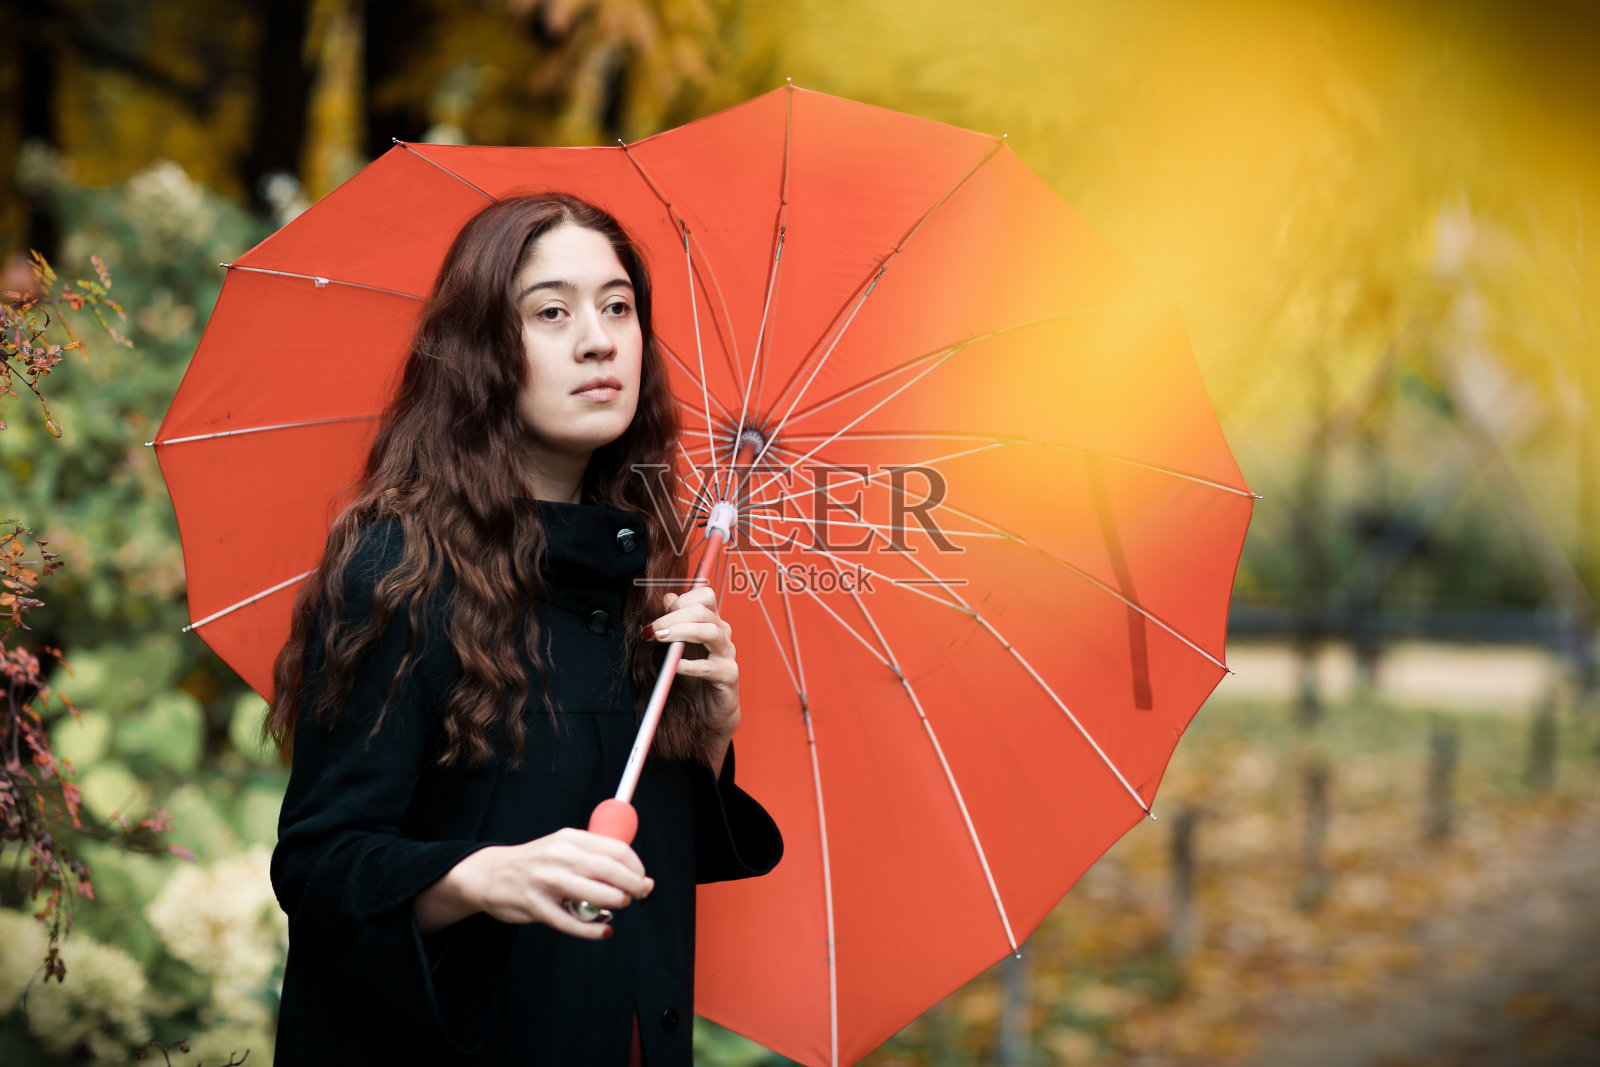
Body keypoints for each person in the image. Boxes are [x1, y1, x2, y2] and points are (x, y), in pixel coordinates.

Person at [265, 193, 783, 1065]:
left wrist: (709, 735)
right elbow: (320, 865)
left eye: (619, 306)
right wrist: (483, 875)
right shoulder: (399, 566)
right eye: (552, 312)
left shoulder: (645, 567)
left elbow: (637, 855)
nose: (599, 338)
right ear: (481, 354)